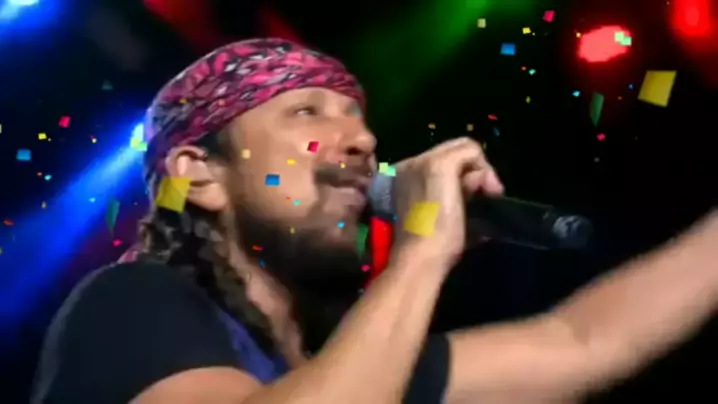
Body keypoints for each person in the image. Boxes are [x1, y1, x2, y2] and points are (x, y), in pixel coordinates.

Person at [31, 38, 718, 404]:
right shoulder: (130, 302)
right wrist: (422, 252)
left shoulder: (356, 363)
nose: (361, 142)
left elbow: (586, 341)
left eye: (358, 119)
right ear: (200, 175)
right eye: (306, 112)